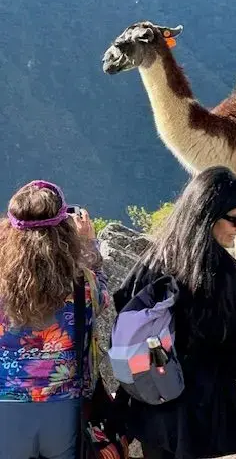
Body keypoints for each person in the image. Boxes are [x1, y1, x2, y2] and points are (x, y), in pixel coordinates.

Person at [114, 166, 236, 459]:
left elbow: (124, 318)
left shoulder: (148, 266)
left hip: (156, 416)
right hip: (214, 419)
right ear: (208, 217)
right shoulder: (229, 278)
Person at [0, 180, 109, 459]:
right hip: (62, 408)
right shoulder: (82, 284)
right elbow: (103, 298)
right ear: (64, 231)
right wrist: (90, 246)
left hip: (6, 406)